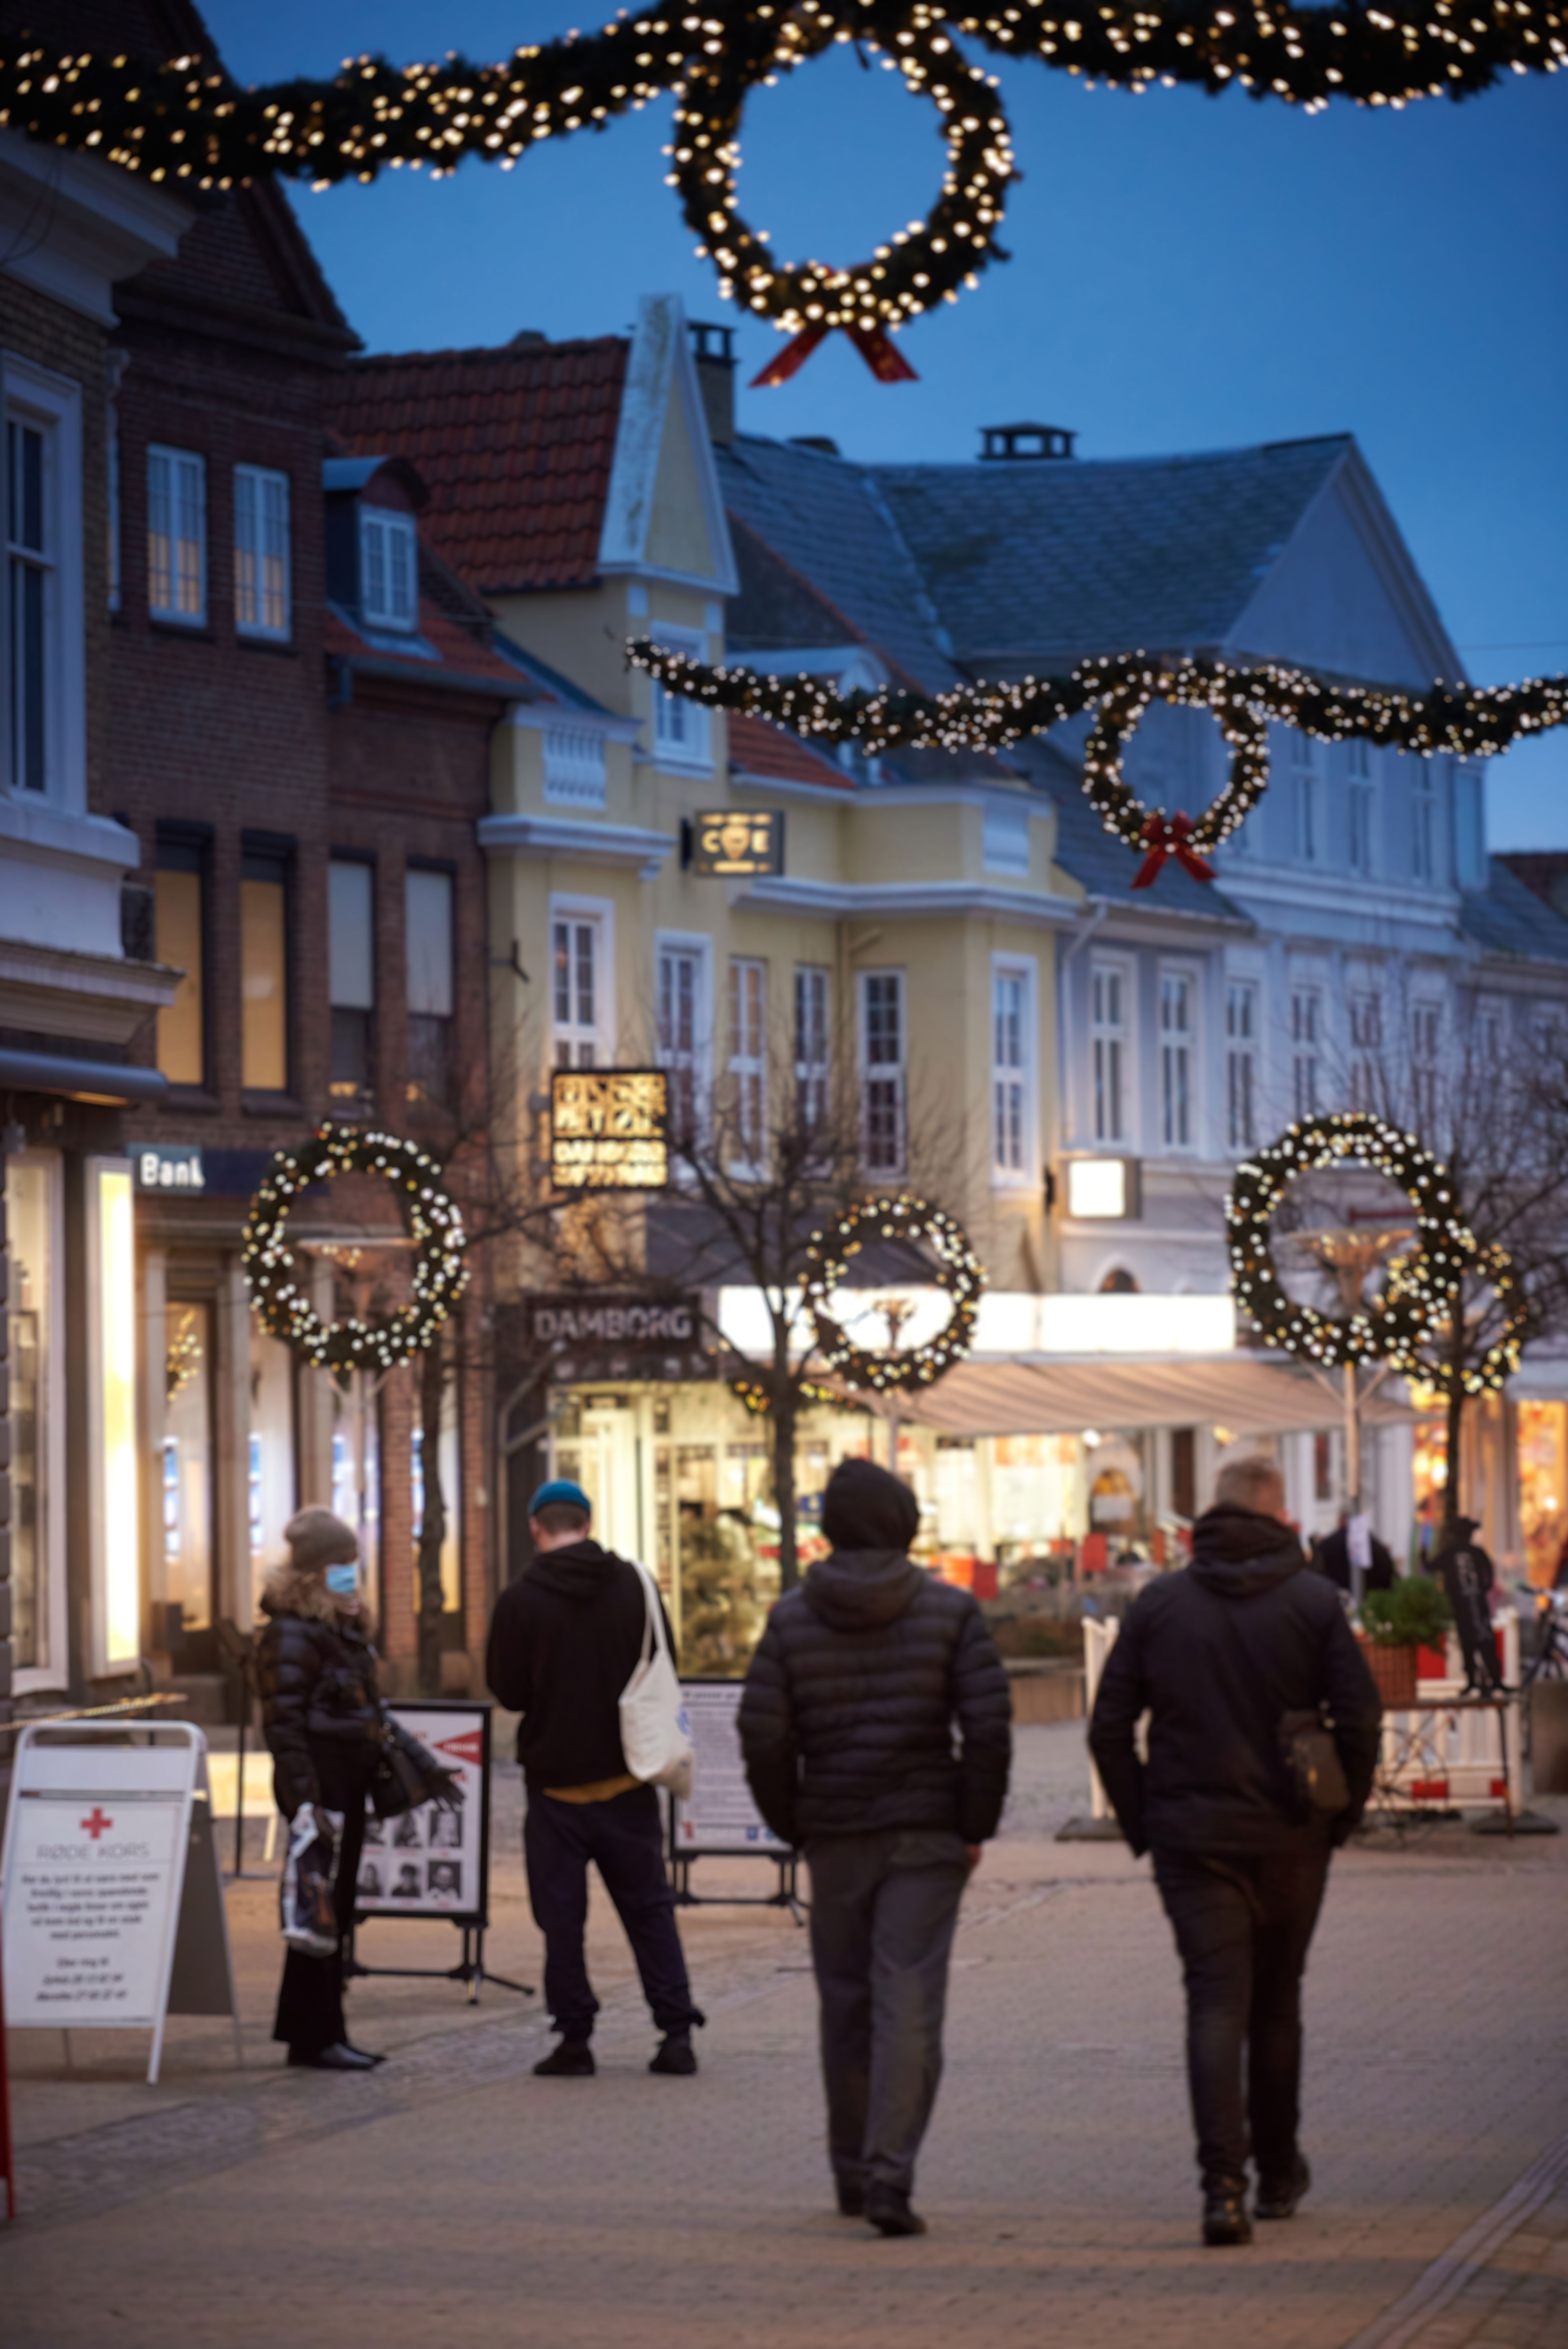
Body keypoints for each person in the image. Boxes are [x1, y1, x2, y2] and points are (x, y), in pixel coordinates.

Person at [1088, 1456, 1382, 2246]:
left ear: (1210, 1516)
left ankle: (1223, 2188)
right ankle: (1279, 2173)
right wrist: (1341, 1810)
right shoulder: (1315, 1601)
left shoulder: (1161, 1603)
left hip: (1192, 1836)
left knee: (1215, 2000)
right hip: (1291, 1832)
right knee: (1277, 2000)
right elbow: (1360, 1716)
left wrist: (1143, 1817)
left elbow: (1106, 1725)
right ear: (1280, 1513)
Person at [737, 1458, 1011, 2238]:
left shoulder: (792, 1616)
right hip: (926, 1832)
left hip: (836, 1833)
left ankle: (852, 2171)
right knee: (909, 1998)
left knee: (847, 1999)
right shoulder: (951, 1611)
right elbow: (987, 1724)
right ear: (903, 1523)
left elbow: (761, 1729)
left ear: (830, 1527)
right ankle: (891, 2173)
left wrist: (793, 1818)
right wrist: (973, 1822)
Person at [484, 1479, 705, 2078]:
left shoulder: (519, 1601)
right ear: (588, 1521)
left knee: (561, 1921)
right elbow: (666, 1659)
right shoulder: (635, 1584)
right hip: (628, 1776)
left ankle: (574, 2040)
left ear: (537, 1527)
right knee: (649, 1909)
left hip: (555, 1789)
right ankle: (676, 2031)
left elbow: (508, 1692)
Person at [257, 1506, 460, 2071]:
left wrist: (425, 1765)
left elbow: (375, 1713)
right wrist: (304, 1802)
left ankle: (314, 2032)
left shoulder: (339, 1629)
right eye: (343, 1565)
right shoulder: (291, 1632)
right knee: (320, 1911)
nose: (352, 1573)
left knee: (332, 1911)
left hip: (346, 1785)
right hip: (320, 1791)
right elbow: (284, 1724)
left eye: (354, 1563)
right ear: (318, 1571)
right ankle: (317, 2036)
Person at [1312, 1511, 1396, 1602]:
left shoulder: (1326, 1545)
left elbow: (1316, 1574)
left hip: (1336, 1600)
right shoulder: (1373, 1544)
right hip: (1369, 1599)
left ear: (1340, 1521)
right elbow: (1389, 1574)